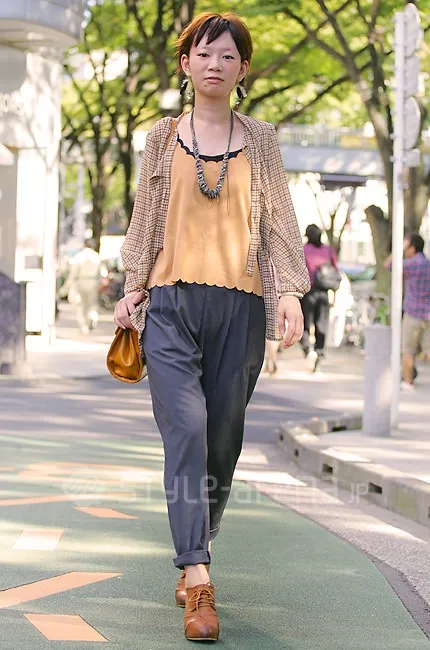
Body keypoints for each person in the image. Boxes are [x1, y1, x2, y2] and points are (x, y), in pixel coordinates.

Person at [114, 12, 310, 643]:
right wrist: (133, 286)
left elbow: (280, 220)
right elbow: (145, 217)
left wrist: (289, 291)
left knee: (223, 440)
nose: (215, 64)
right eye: (204, 54)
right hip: (170, 304)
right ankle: (197, 577)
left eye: (228, 56)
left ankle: (200, 535)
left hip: (240, 306)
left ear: (243, 69)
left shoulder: (262, 141)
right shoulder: (160, 138)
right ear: (185, 63)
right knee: (188, 430)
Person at [385, 233, 430, 390]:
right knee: (427, 350)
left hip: (413, 313)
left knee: (408, 350)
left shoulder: (411, 264)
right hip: (428, 313)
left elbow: (389, 265)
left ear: (412, 248)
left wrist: (399, 249)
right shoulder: (428, 264)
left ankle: (408, 381)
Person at [301, 224, 338, 371]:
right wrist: (334, 295)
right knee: (322, 324)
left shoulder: (303, 249)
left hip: (307, 292)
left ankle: (307, 349)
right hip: (324, 292)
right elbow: (336, 272)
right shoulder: (328, 250)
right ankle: (319, 352)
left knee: (305, 323)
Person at [63, 238, 101, 334]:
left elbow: (73, 273)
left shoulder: (79, 256)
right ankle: (93, 317)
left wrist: (68, 285)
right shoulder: (96, 256)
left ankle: (84, 326)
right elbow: (102, 272)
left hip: (81, 281)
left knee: (81, 306)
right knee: (92, 303)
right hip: (93, 281)